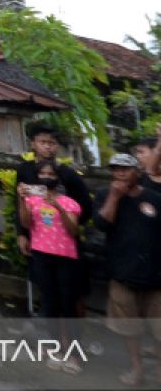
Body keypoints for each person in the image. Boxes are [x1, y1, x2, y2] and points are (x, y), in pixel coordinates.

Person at [93, 153, 161, 388]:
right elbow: (102, 224)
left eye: (125, 169)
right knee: (128, 329)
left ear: (137, 172)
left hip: (155, 275)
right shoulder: (104, 195)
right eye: (115, 169)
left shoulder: (154, 197)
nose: (120, 173)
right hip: (122, 274)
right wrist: (114, 196)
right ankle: (137, 368)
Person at [17, 159, 83, 368]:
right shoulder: (32, 201)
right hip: (41, 256)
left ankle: (73, 353)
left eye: (51, 174)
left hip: (65, 258)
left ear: (58, 178)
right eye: (43, 174)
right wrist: (21, 200)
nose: (47, 177)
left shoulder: (70, 203)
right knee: (50, 304)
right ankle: (56, 347)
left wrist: (58, 207)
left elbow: (74, 231)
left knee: (68, 305)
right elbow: (27, 223)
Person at [13, 122, 92, 256]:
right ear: (33, 144)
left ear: (57, 146)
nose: (47, 146)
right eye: (42, 142)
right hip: (37, 238)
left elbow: (86, 205)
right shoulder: (24, 170)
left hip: (64, 242)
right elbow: (20, 202)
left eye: (52, 143)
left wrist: (69, 225)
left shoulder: (68, 174)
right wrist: (22, 234)